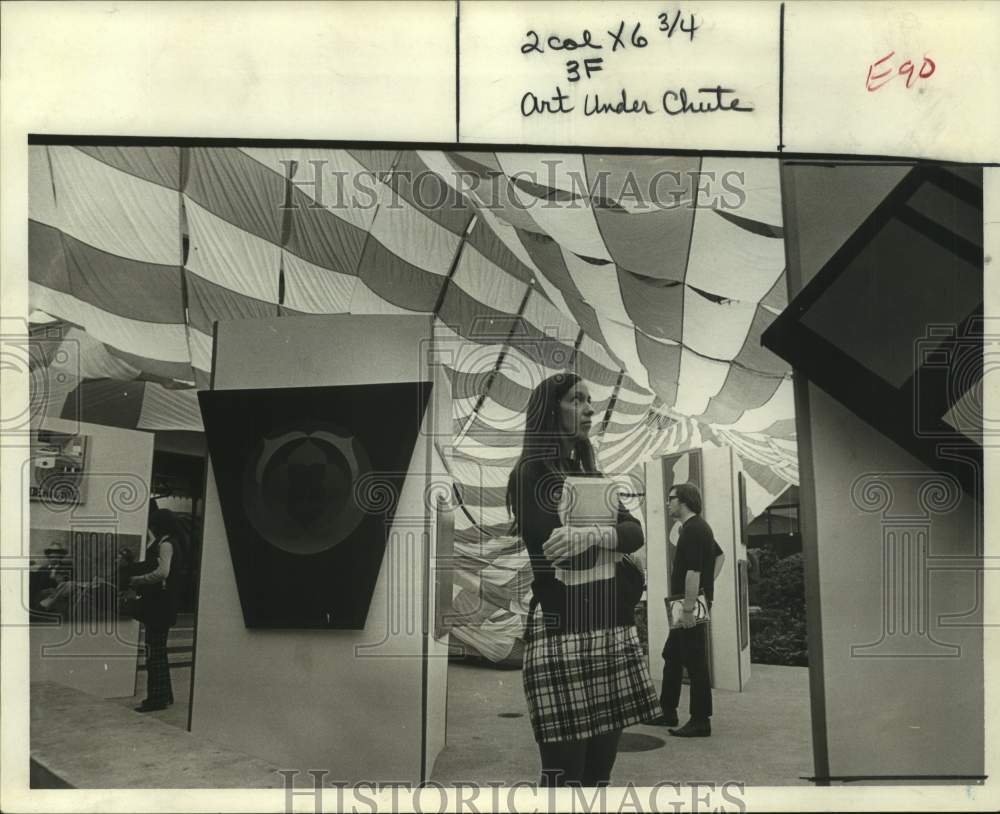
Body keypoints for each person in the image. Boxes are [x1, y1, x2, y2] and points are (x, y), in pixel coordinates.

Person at [506, 372, 661, 787]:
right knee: (565, 779)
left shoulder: (592, 472)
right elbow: (561, 554)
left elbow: (635, 532)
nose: (590, 408)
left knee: (599, 775)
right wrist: (605, 538)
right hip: (564, 632)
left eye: (589, 400)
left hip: (610, 629)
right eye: (576, 400)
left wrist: (593, 534)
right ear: (549, 410)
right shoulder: (529, 474)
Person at [649, 482, 724, 737]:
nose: (667, 503)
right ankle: (667, 711)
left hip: (687, 606)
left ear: (684, 501)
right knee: (672, 654)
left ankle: (701, 720)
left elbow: (693, 571)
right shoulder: (695, 528)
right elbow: (719, 556)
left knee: (695, 661)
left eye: (671, 498)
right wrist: (706, 587)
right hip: (684, 603)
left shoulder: (693, 530)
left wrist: (691, 608)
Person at [130, 508, 183, 712]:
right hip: (166, 605)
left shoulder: (166, 545)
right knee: (159, 651)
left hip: (158, 606)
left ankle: (157, 699)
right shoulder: (174, 542)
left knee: (154, 652)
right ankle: (164, 695)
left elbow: (162, 572)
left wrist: (139, 579)